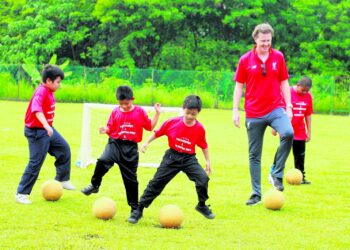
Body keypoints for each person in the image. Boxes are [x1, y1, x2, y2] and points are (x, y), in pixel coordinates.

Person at [232, 23, 294, 206]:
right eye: (263, 41)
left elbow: (284, 82)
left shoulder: (279, 57)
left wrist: (289, 106)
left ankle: (276, 173)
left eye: (269, 41)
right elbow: (239, 86)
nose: (266, 44)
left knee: (288, 133)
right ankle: (256, 194)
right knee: (254, 155)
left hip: (276, 108)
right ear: (255, 39)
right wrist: (235, 110)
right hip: (253, 113)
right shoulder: (245, 60)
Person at [128, 95, 214, 224]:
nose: (190, 116)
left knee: (203, 179)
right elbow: (158, 133)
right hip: (172, 157)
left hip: (189, 159)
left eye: (194, 114)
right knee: (156, 183)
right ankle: (138, 210)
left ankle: (202, 205)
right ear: (183, 109)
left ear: (198, 113)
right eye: (188, 113)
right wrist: (146, 143)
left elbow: (203, 145)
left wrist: (207, 161)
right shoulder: (172, 122)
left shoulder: (199, 129)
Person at [81, 85, 161, 218]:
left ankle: (135, 209)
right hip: (115, 143)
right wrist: (105, 129)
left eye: (127, 104)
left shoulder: (139, 112)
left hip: (130, 149)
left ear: (132, 99)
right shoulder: (115, 112)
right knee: (103, 160)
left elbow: (150, 126)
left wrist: (157, 113)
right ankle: (95, 185)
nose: (124, 106)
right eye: (121, 104)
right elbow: (110, 127)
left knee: (130, 180)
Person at [16, 65, 76, 204]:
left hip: (47, 130)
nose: (59, 85)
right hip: (37, 132)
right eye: (58, 82)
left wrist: (48, 127)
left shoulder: (49, 90)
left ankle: (62, 179)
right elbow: (36, 109)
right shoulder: (41, 92)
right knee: (35, 162)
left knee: (64, 148)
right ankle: (21, 193)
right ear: (49, 81)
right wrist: (45, 125)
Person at [271, 76, 313, 184]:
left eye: (307, 91)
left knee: (300, 155)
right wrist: (275, 128)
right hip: (286, 129)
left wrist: (309, 132)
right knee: (282, 153)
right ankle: (273, 173)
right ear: (298, 85)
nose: (305, 93)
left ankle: (301, 177)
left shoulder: (308, 97)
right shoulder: (287, 92)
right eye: (303, 90)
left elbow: (308, 115)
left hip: (300, 131)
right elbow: (278, 109)